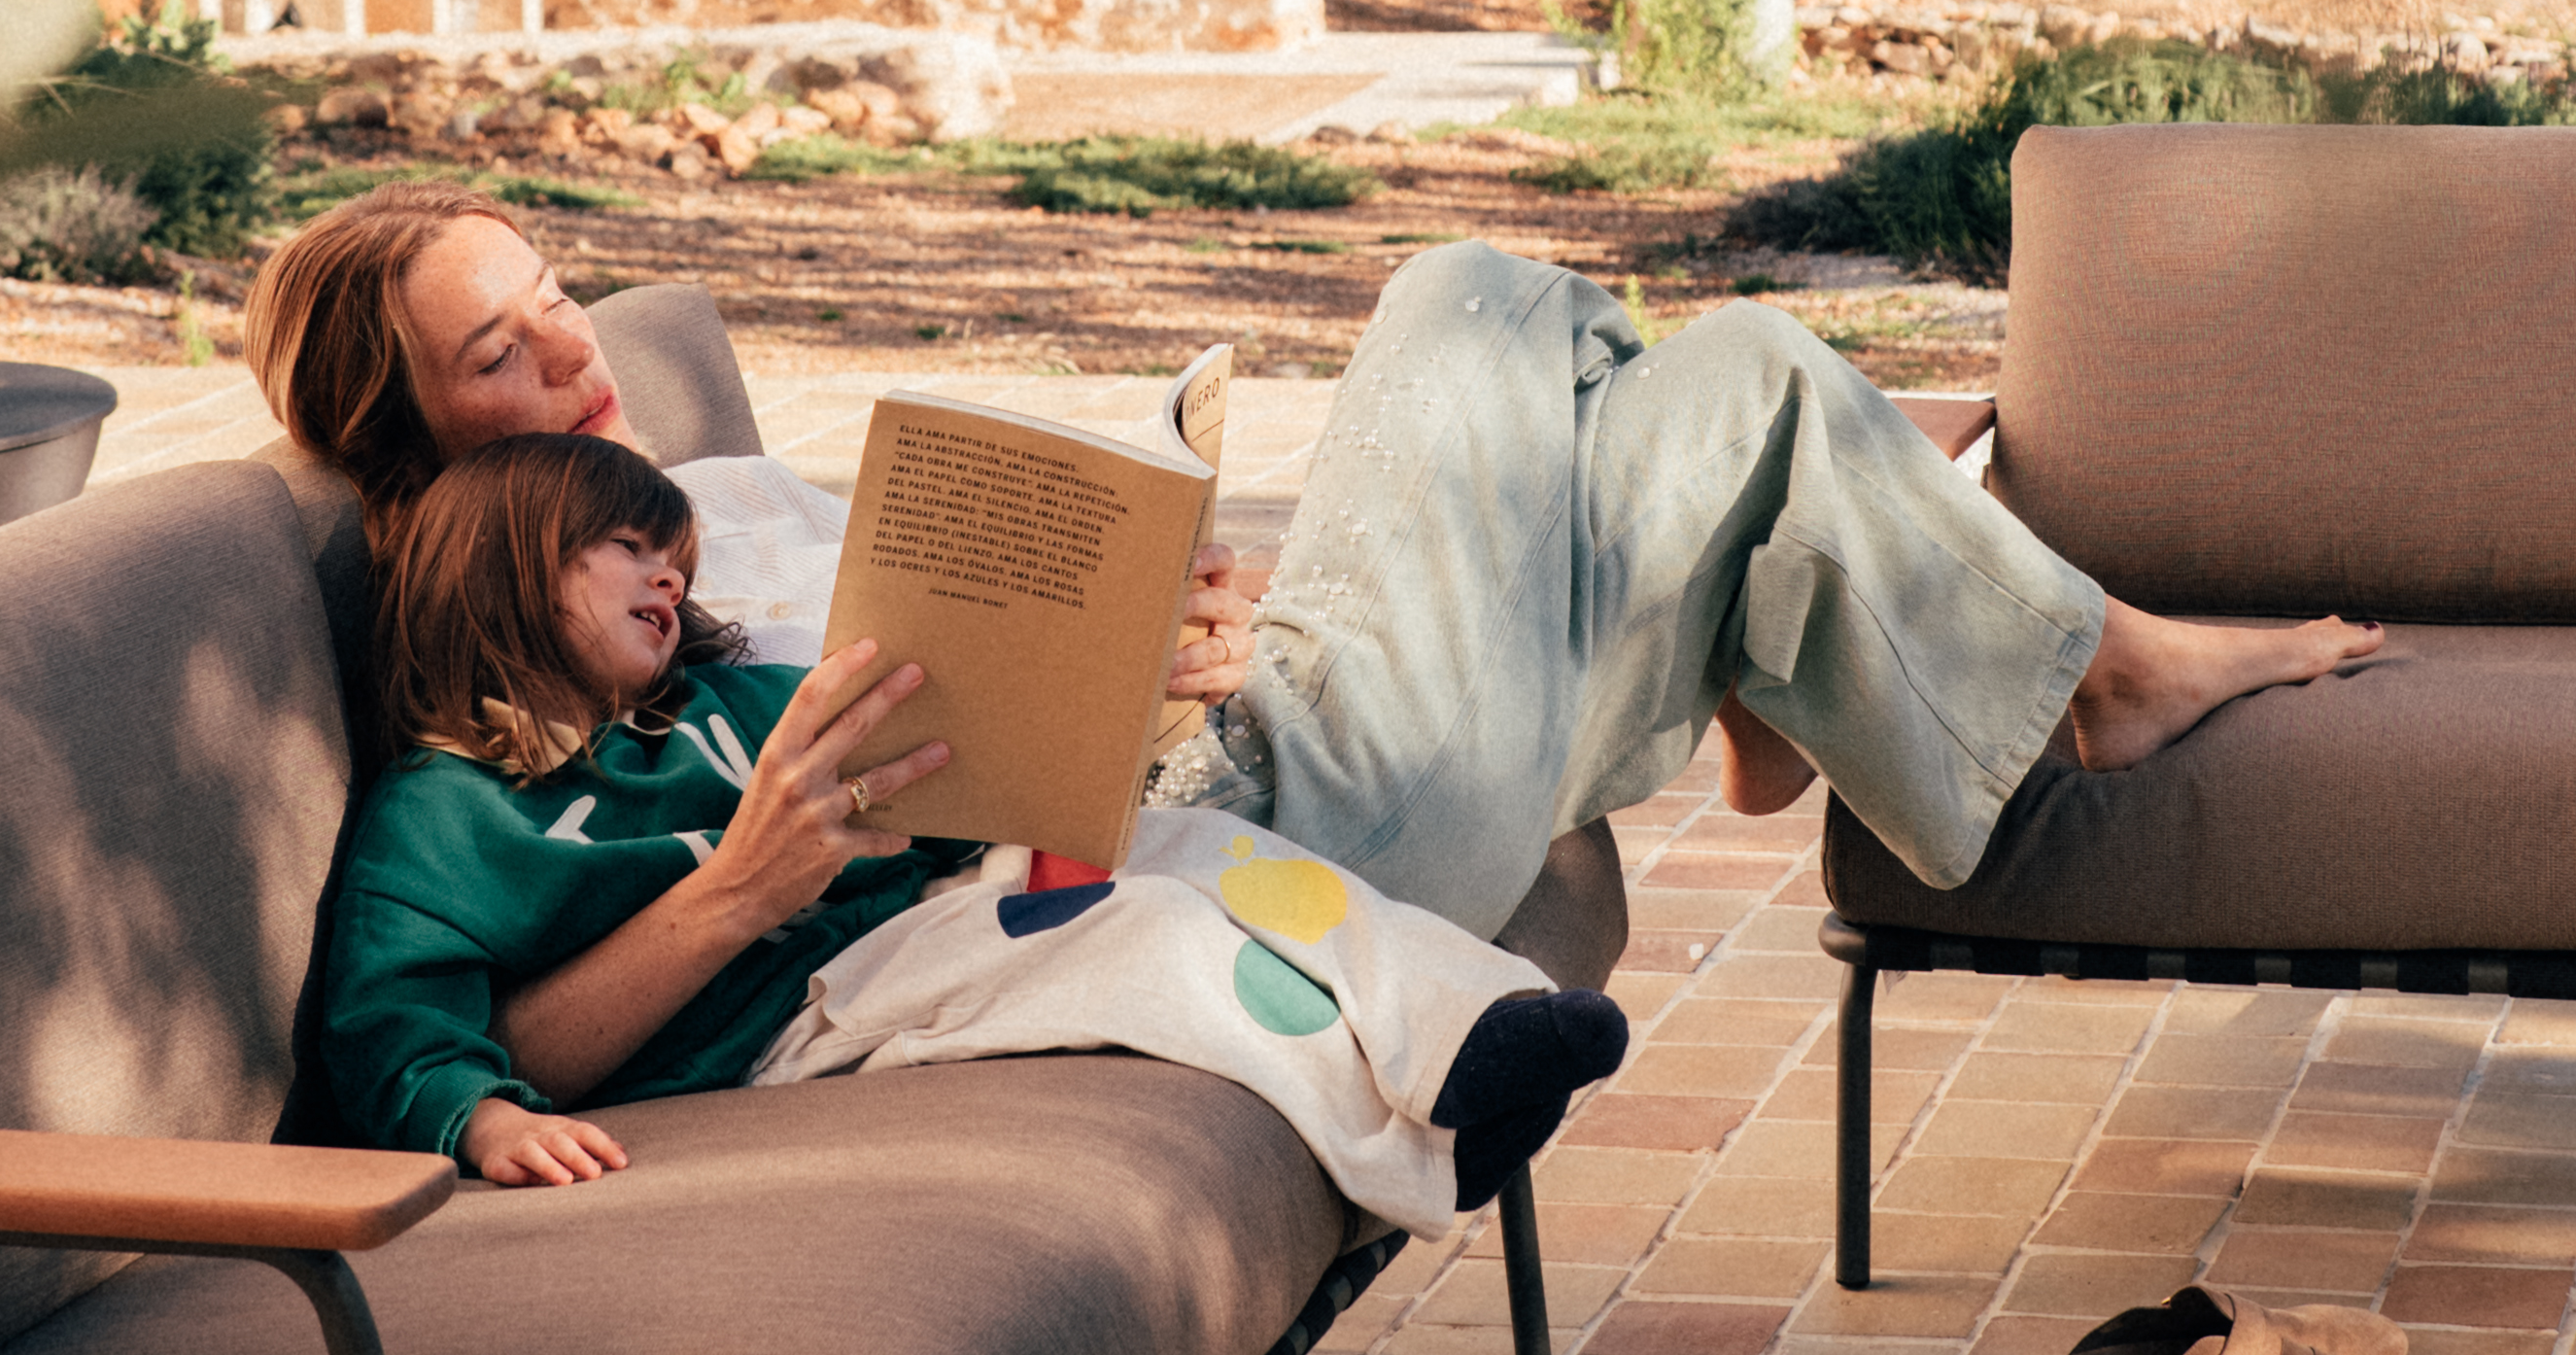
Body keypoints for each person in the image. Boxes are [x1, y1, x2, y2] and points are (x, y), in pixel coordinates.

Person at [240, 188, 2375, 947]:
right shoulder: (510, 590)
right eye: (490, 353)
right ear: (410, 427)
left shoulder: (678, 478)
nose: (565, 348)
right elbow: (715, 813)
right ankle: (1832, 656)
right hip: (1214, 843)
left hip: (1260, 750)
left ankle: (1823, 645)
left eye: (551, 290)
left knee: (1730, 371)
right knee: (1471, 293)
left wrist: (1168, 621)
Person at [299, 432, 1632, 1233]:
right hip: (786, 1021)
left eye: (678, 558)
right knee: (1148, 935)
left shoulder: (711, 707)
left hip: (902, 921)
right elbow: (391, 1027)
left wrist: (1100, 682)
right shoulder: (447, 815)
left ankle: (1474, 1027)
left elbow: (926, 748)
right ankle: (1424, 1142)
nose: (672, 576)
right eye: (629, 550)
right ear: (508, 569)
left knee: (1204, 858)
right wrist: (474, 1117)